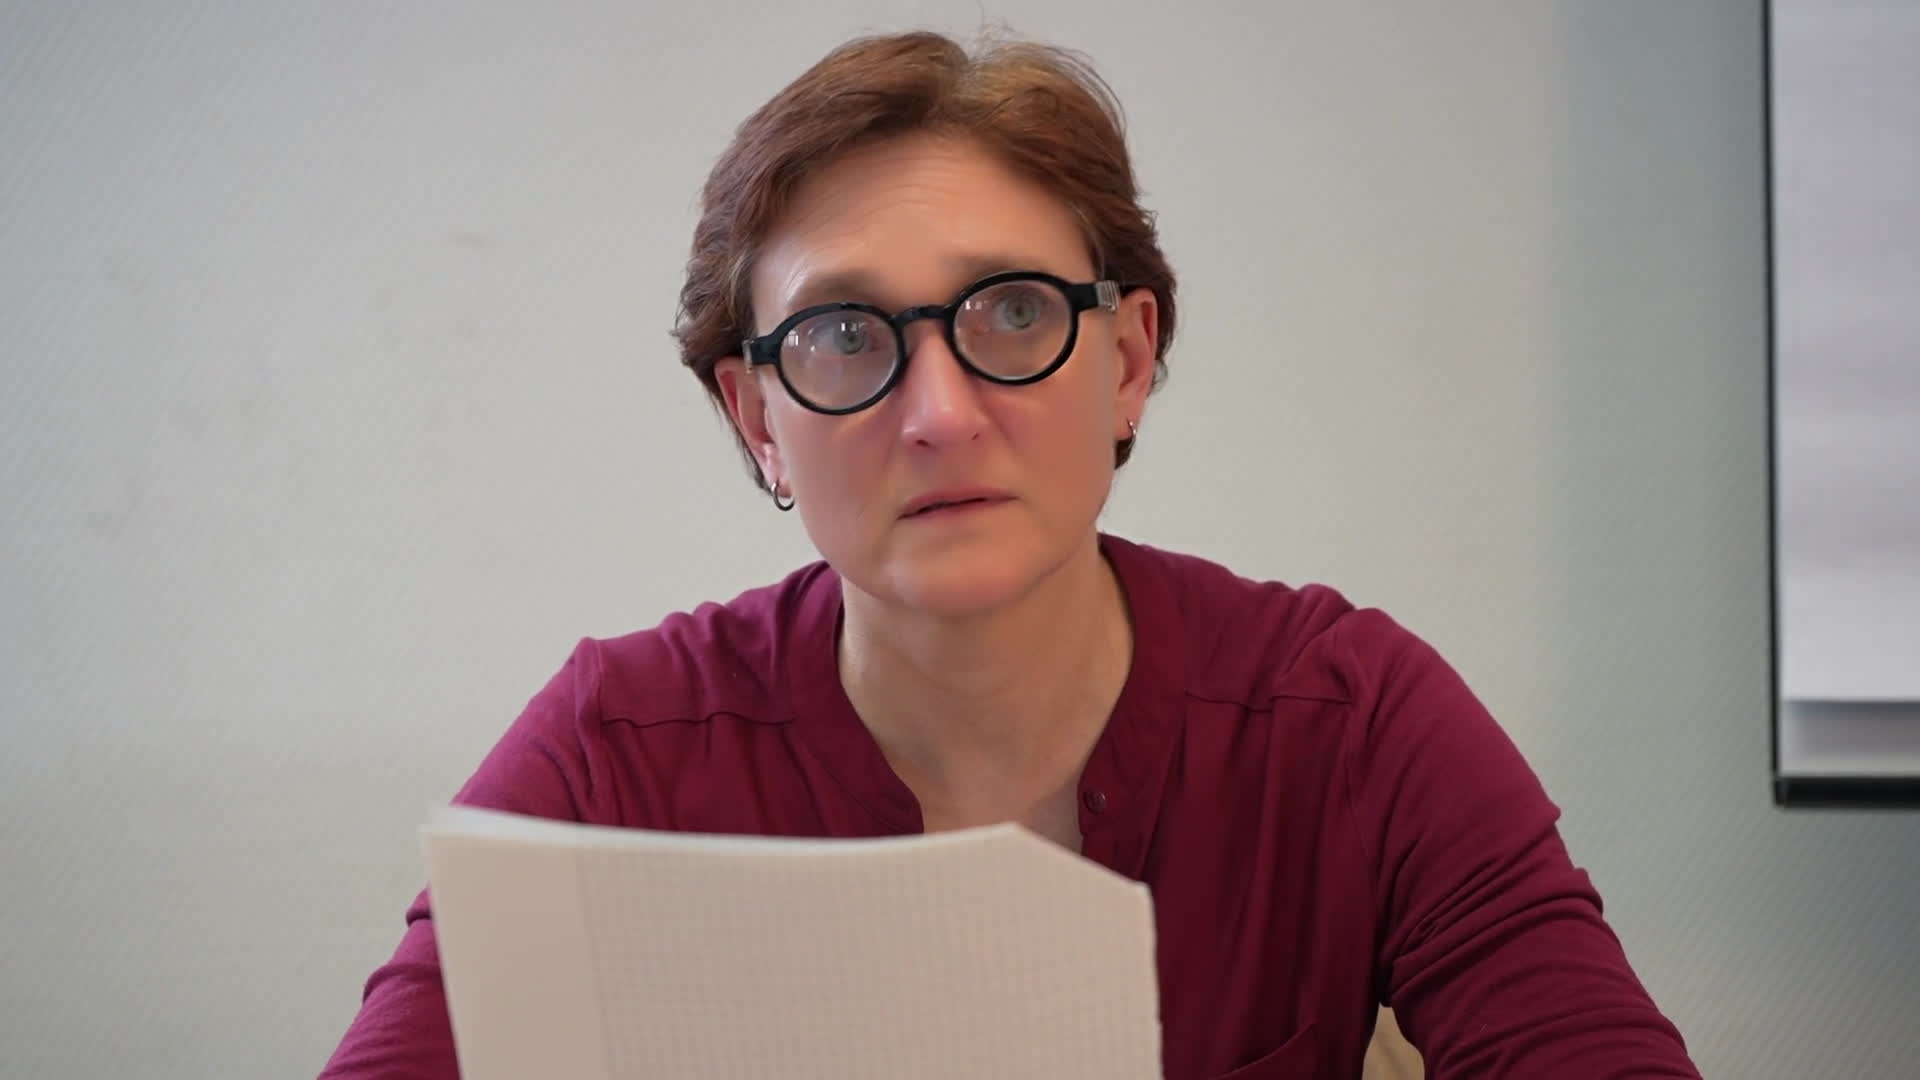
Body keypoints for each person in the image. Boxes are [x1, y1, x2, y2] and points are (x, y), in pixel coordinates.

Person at [321, 30, 1699, 1080]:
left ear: (1128, 362)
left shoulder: (1350, 720)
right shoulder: (615, 755)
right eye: (842, 335)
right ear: (757, 419)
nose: (939, 413)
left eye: (1015, 312)